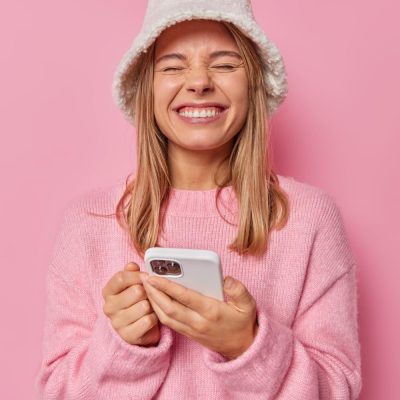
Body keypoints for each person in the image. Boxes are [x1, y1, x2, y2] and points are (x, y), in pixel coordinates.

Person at [35, 1, 362, 399]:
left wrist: (247, 346)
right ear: (146, 89)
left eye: (225, 64)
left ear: (253, 82)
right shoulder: (88, 223)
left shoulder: (309, 219)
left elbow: (338, 390)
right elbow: (56, 392)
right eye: (173, 66)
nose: (199, 82)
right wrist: (123, 348)